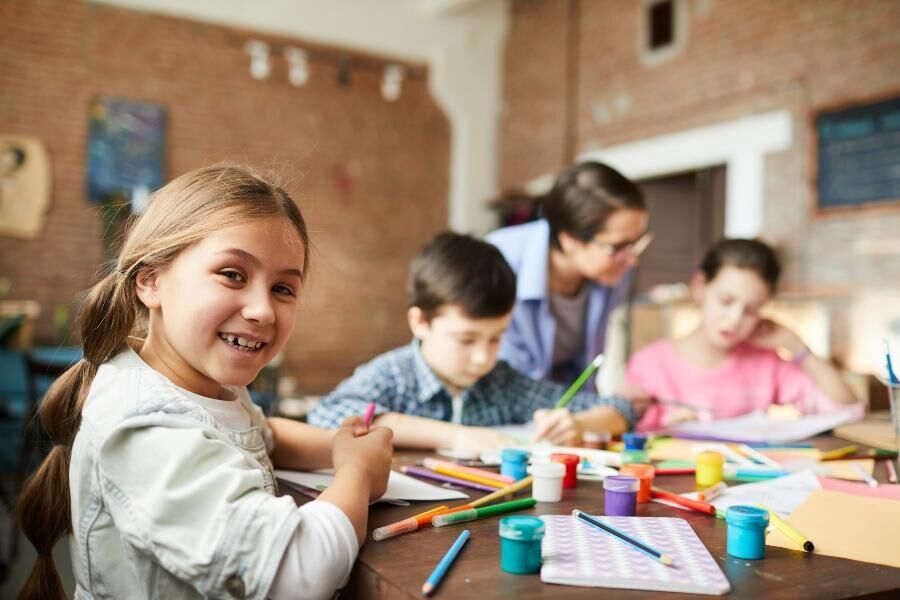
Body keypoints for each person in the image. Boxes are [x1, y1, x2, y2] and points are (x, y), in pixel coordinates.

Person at [15, 166, 393, 600]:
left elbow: (261, 434)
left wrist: (339, 444)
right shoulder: (146, 427)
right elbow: (298, 570)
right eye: (233, 274)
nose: (263, 311)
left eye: (284, 289)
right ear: (151, 280)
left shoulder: (204, 385)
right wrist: (356, 471)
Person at [308, 232, 634, 452]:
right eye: (466, 339)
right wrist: (455, 436)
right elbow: (327, 414)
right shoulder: (393, 374)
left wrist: (577, 423)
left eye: (496, 338)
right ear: (420, 322)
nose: (483, 358)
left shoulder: (503, 383)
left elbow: (621, 409)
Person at [624, 238, 860, 432]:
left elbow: (847, 409)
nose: (735, 319)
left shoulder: (767, 364)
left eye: (751, 309)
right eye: (726, 301)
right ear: (699, 287)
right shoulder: (649, 364)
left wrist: (796, 345)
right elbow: (627, 431)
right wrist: (660, 429)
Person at [486, 161, 651, 392]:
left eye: (636, 243)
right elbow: (512, 384)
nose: (632, 259)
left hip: (563, 409)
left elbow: (584, 372)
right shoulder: (499, 261)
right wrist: (602, 407)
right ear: (570, 239)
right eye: (619, 247)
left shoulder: (612, 270)